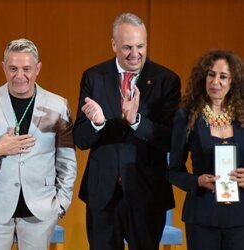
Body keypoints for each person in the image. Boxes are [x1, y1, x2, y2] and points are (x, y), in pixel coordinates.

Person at [73, 13, 181, 250]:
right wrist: (98, 124)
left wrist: (137, 122)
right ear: (113, 45)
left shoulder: (166, 80)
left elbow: (172, 139)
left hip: (147, 194)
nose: (135, 54)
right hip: (103, 196)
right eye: (127, 47)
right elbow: (80, 139)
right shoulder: (94, 77)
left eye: (140, 46)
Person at [0, 38, 77, 250]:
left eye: (26, 69)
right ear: (3, 67)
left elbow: (67, 161)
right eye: (13, 68)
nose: (19, 76)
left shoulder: (58, 106)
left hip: (40, 211)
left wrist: (60, 206)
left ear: (38, 69)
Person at [167, 49, 244, 250]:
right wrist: (197, 181)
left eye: (223, 76)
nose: (215, 81)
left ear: (233, 81)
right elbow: (173, 172)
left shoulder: (243, 118)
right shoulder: (187, 116)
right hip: (201, 216)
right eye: (211, 74)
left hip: (240, 218)